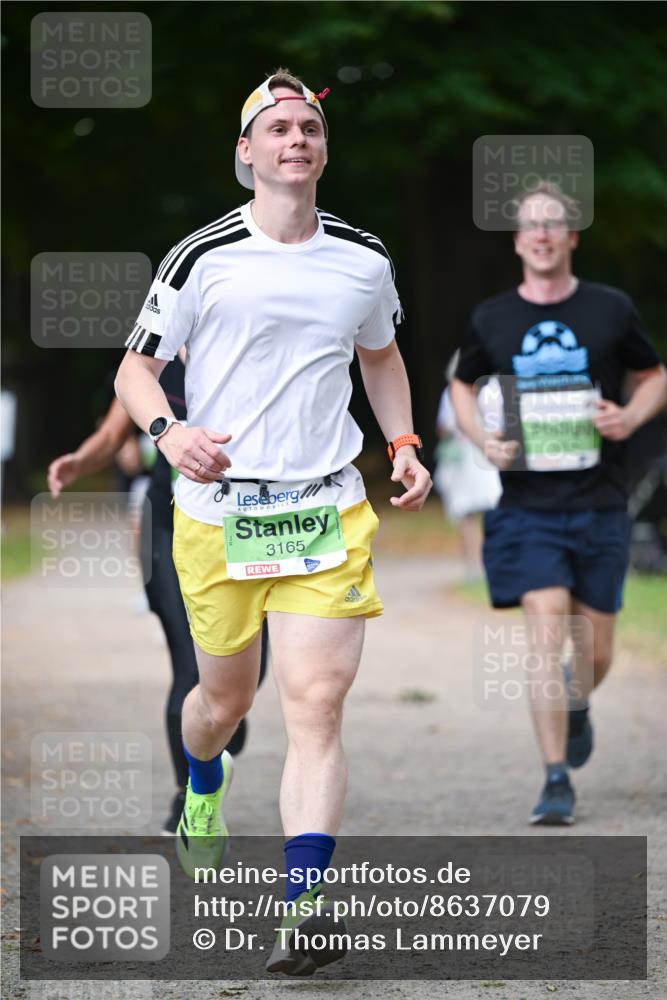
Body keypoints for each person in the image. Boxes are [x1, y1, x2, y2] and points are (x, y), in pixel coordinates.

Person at [114, 68, 431, 975]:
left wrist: (402, 440)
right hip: (218, 511)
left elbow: (380, 356)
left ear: (322, 149)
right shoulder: (201, 255)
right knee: (223, 703)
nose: (296, 138)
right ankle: (203, 781)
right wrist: (169, 434)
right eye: (277, 128)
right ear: (246, 152)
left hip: (323, 506)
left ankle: (305, 906)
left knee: (316, 704)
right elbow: (135, 373)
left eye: (308, 127)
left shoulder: (363, 259)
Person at [451, 180, 667, 826]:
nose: (541, 235)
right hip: (525, 507)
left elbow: (653, 375)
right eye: (530, 226)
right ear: (517, 241)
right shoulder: (492, 318)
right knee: (546, 630)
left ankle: (576, 703)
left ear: (571, 237)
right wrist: (481, 438)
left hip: (599, 504)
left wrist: (628, 415)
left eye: (553, 225)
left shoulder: (608, 309)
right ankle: (553, 779)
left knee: (594, 651)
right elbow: (462, 385)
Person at [47, 354, 268, 834]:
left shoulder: (254, 342)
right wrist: (79, 462)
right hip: (168, 528)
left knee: (242, 686)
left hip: (251, 528)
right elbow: (112, 435)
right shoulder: (155, 363)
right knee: (191, 670)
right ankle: (187, 796)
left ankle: (217, 730)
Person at [434, 353, 501, 578]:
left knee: (467, 514)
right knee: (490, 511)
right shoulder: (494, 390)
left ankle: (474, 565)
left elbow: (443, 428)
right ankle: (490, 562)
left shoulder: (451, 393)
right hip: (484, 457)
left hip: (470, 458)